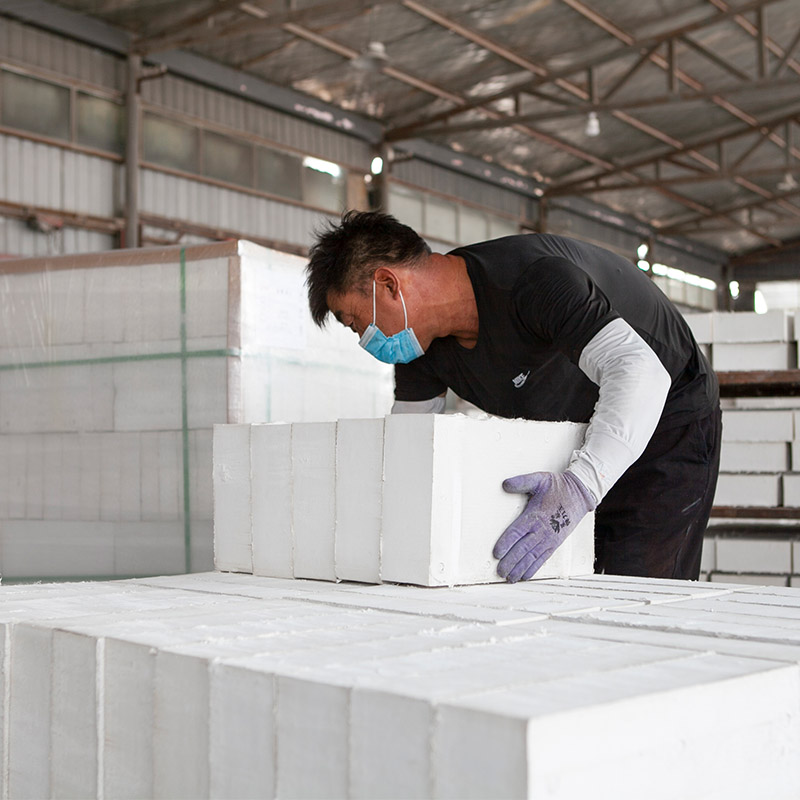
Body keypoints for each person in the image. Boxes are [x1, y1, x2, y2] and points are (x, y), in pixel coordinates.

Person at [305, 210, 721, 582]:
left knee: (634, 586)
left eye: (356, 323)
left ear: (387, 284)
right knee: (580, 587)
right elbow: (407, 446)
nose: (364, 340)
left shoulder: (532, 280)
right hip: (589, 426)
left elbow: (639, 372)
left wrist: (580, 488)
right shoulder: (419, 347)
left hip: (670, 418)